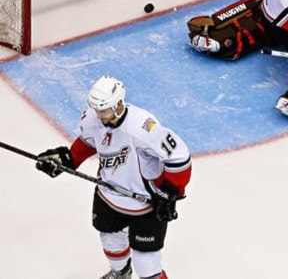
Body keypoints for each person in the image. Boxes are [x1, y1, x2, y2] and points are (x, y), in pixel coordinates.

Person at [35, 76, 192, 279]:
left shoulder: (143, 127)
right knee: (110, 240)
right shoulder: (93, 119)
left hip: (146, 203)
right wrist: (68, 159)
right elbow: (89, 142)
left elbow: (179, 157)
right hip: (108, 194)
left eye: (104, 110)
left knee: (146, 264)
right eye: (97, 110)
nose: (100, 115)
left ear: (118, 105)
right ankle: (121, 274)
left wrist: (171, 191)